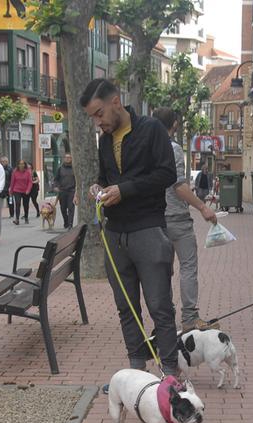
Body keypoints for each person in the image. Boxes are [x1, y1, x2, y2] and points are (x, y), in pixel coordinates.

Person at [80, 78, 180, 375]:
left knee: (159, 306)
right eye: (92, 117)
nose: (97, 122)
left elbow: (167, 174)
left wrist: (125, 190)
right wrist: (98, 188)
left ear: (116, 102)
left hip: (148, 229)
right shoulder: (105, 140)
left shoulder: (151, 129)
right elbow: (105, 177)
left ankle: (170, 373)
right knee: (125, 306)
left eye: (99, 114)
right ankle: (137, 370)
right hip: (115, 232)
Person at [152, 107, 218, 332]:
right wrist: (202, 207)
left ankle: (165, 319)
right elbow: (178, 185)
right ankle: (189, 318)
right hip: (177, 218)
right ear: (175, 125)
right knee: (188, 267)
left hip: (155, 219)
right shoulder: (173, 149)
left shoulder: (146, 149)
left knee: (163, 271)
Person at [55, 153, 76, 229]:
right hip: (62, 191)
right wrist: (56, 186)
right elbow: (56, 179)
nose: (67, 159)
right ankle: (66, 221)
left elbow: (77, 180)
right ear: (64, 159)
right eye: (66, 157)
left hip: (72, 191)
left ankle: (70, 224)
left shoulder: (74, 168)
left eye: (69, 157)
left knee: (71, 208)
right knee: (63, 208)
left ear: (71, 159)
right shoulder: (60, 168)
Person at [9, 160, 32, 225]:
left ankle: (26, 217)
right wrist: (11, 191)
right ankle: (17, 219)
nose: (21, 165)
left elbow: (30, 182)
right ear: (18, 165)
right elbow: (12, 182)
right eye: (20, 164)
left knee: (26, 204)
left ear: (25, 165)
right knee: (17, 203)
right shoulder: (15, 172)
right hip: (17, 190)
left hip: (25, 191)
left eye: (23, 164)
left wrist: (28, 190)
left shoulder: (28, 172)